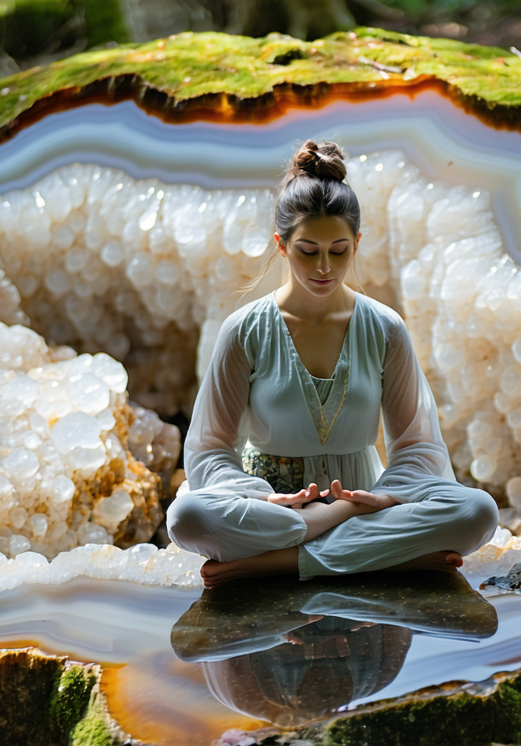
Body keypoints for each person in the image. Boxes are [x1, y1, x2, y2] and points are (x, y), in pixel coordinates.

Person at [166, 139, 499, 588]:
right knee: (186, 515)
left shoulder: (385, 328)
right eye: (308, 250)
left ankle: (279, 563)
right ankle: (371, 551)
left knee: (477, 511)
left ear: (357, 244)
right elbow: (208, 451)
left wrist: (377, 497)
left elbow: (417, 448)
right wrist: (267, 500)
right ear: (281, 245)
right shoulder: (244, 329)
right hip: (275, 505)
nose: (324, 266)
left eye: (338, 250)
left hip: (360, 500)